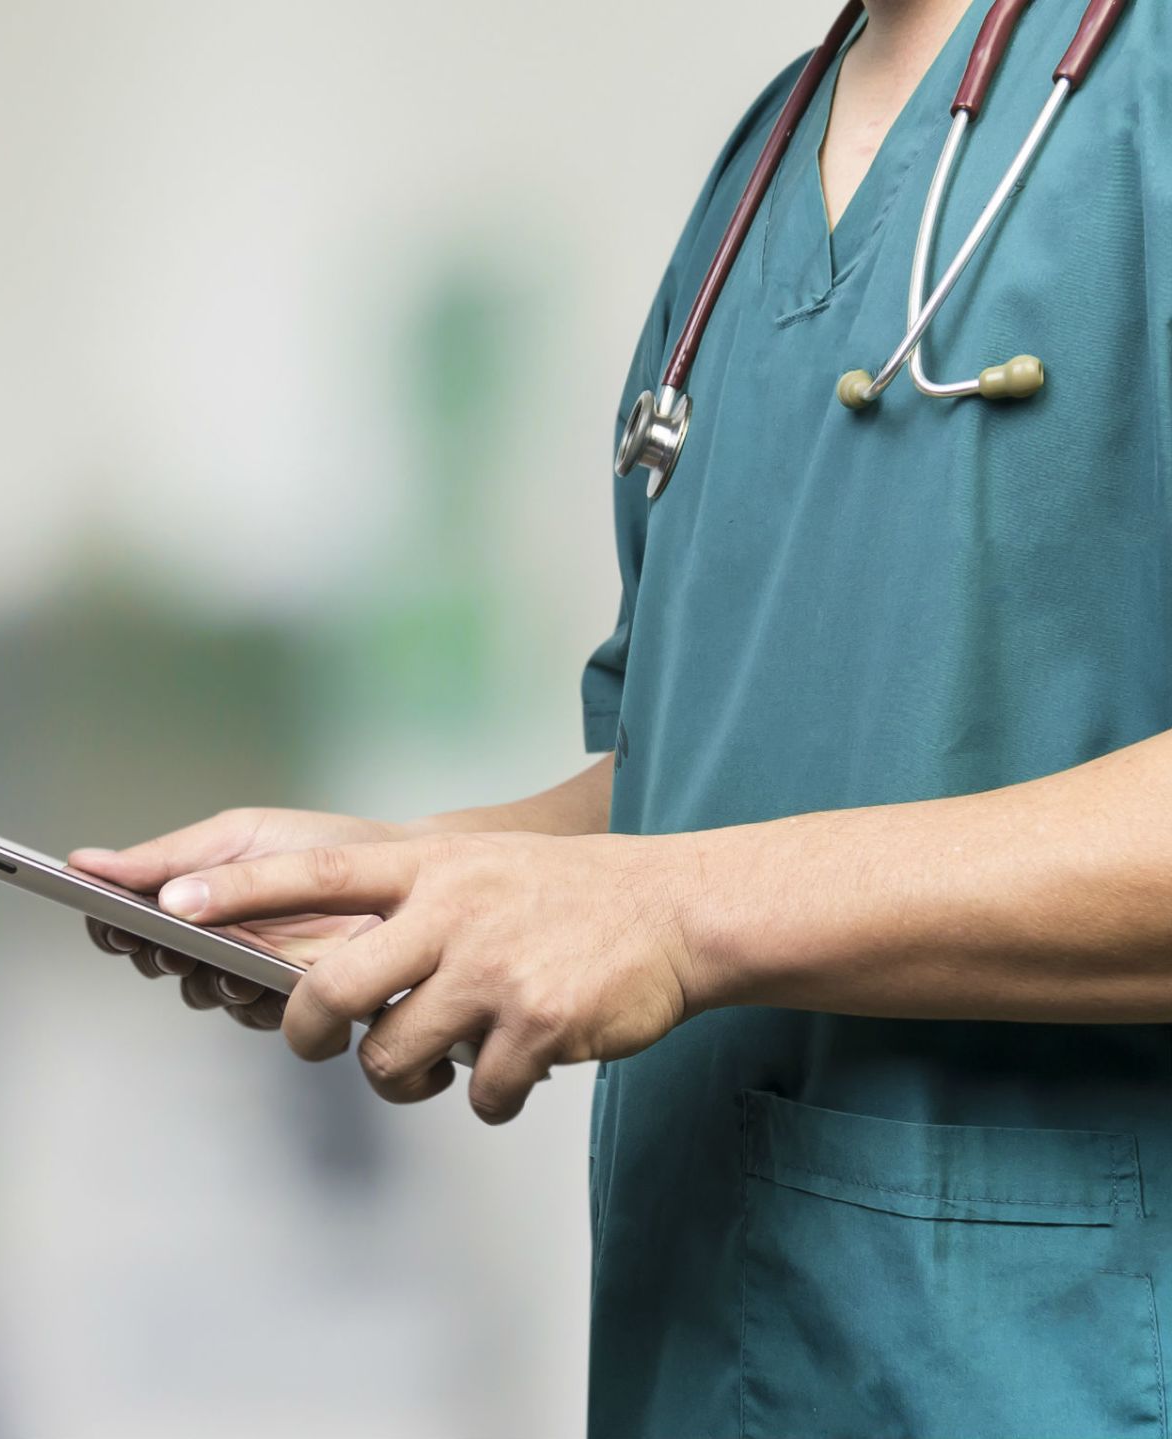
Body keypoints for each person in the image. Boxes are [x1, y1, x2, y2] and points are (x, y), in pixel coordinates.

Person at [68, 1, 1172, 1434]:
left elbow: (686, 885)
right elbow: (720, 757)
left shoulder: (1138, 95)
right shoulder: (760, 178)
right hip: (710, 1366)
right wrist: (418, 880)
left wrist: (674, 914)